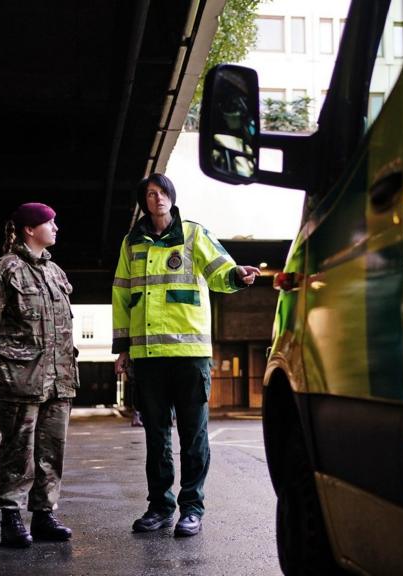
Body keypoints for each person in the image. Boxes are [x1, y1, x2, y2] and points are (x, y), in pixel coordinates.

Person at [112, 173, 260, 537]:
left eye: (162, 192)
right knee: (156, 437)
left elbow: (220, 270)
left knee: (194, 435)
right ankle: (160, 506)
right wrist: (123, 349)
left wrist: (238, 276)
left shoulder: (193, 234)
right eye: (150, 194)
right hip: (147, 356)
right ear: (143, 202)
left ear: (172, 198)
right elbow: (121, 295)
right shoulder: (132, 244)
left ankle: (191, 508)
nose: (157, 198)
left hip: (190, 353)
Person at [0, 203, 78, 548]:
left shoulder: (56, 273)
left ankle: (44, 514)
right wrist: (4, 363)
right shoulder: (6, 270)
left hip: (59, 380)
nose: (56, 228)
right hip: (21, 380)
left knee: (52, 450)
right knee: (19, 451)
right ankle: (11, 516)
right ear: (30, 229)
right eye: (50, 223)